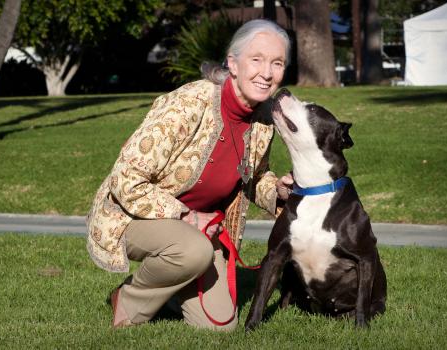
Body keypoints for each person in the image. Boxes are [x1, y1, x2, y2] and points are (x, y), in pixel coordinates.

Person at [86, 19, 294, 331]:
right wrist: (184, 216)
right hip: (133, 216)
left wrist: (277, 190)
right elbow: (125, 178)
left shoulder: (263, 119)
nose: (267, 73)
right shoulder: (187, 104)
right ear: (233, 64)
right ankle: (129, 301)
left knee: (220, 327)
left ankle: (171, 279)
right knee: (193, 251)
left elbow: (254, 176)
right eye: (257, 59)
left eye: (277, 63)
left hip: (199, 232)